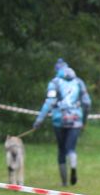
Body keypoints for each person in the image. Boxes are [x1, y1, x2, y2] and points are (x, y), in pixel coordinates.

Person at [33, 58, 91, 186]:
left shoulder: (54, 83)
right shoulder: (79, 82)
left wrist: (39, 120)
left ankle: (64, 182)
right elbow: (87, 103)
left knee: (61, 149)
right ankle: (73, 167)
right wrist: (84, 119)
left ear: (56, 70)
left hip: (59, 120)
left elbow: (49, 102)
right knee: (71, 148)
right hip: (76, 119)